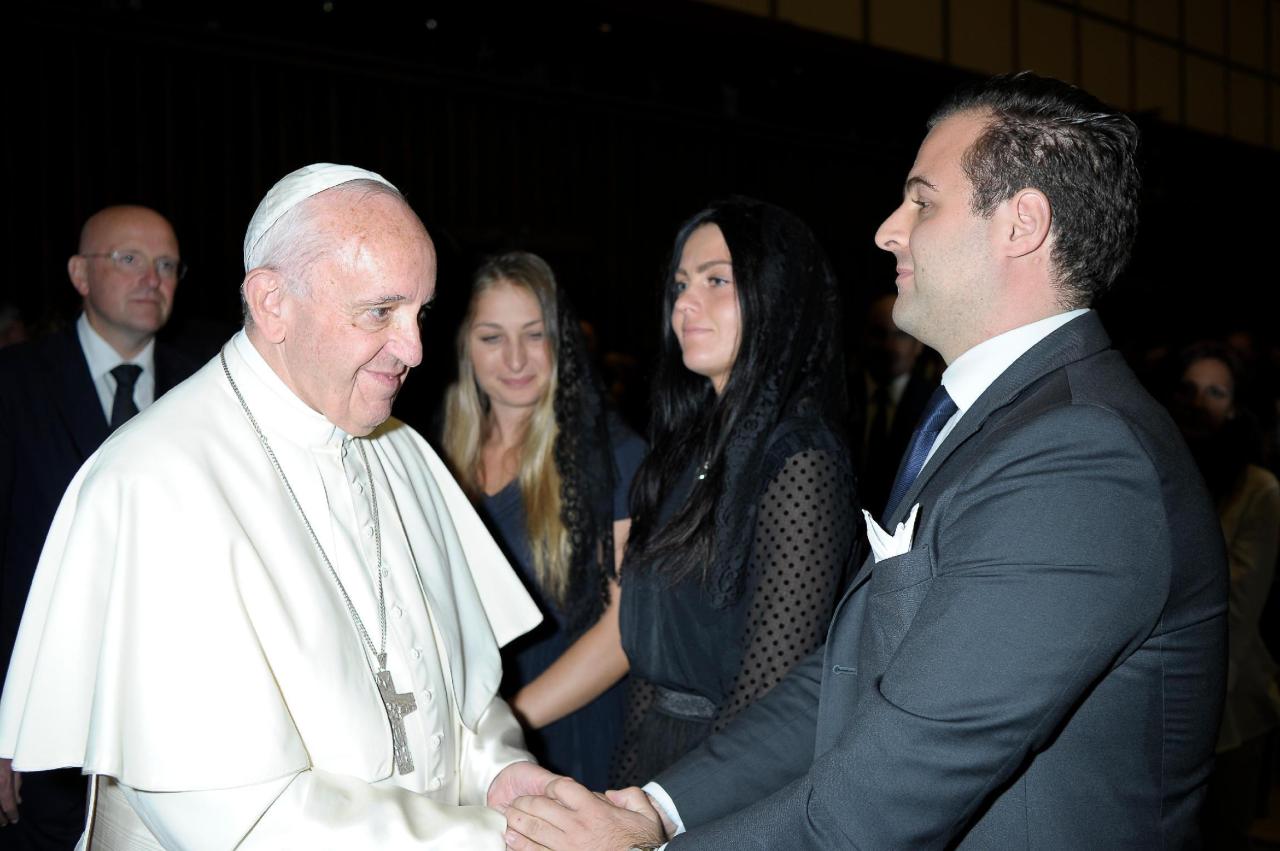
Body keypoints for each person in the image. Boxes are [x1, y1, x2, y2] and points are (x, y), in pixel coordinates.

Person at [504, 72, 1227, 850]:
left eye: (922, 200)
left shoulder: (1082, 456)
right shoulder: (994, 421)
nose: (888, 228)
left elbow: (893, 790)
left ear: (1021, 223)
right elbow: (843, 676)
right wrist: (656, 806)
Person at [0, 163, 556, 849]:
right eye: (379, 311)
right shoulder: (152, 483)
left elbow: (459, 699)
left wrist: (503, 773)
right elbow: (247, 821)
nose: (413, 349)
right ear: (272, 302)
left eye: (421, 314)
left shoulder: (402, 452)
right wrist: (496, 835)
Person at [608, 197, 859, 787]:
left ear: (775, 293)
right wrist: (619, 792)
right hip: (662, 765)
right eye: (680, 285)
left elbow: (771, 693)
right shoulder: (681, 453)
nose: (686, 303)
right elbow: (651, 661)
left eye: (717, 280)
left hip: (732, 783)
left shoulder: (801, 459)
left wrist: (667, 812)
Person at [0, 205, 198, 848]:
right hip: (42, 731)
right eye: (129, 259)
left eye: (167, 264)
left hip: (177, 732)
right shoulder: (13, 385)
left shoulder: (207, 388)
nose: (152, 278)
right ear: (79, 275)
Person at [442, 252, 644, 790]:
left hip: (566, 736)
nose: (514, 359)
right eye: (491, 337)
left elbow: (624, 633)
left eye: (533, 335)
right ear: (464, 343)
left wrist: (510, 721)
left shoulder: (617, 456)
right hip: (463, 742)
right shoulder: (432, 453)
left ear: (563, 340)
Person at [1174, 343, 1280, 849]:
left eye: (1215, 392)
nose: (1200, 402)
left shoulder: (1258, 489)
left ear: (1235, 406)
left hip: (1229, 708)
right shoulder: (1160, 465)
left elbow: (1238, 606)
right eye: (1190, 388)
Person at [850, 291, 938, 517]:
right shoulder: (839, 396)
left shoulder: (936, 407)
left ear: (919, 344)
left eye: (901, 335)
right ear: (863, 338)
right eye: (879, 334)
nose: (888, 346)